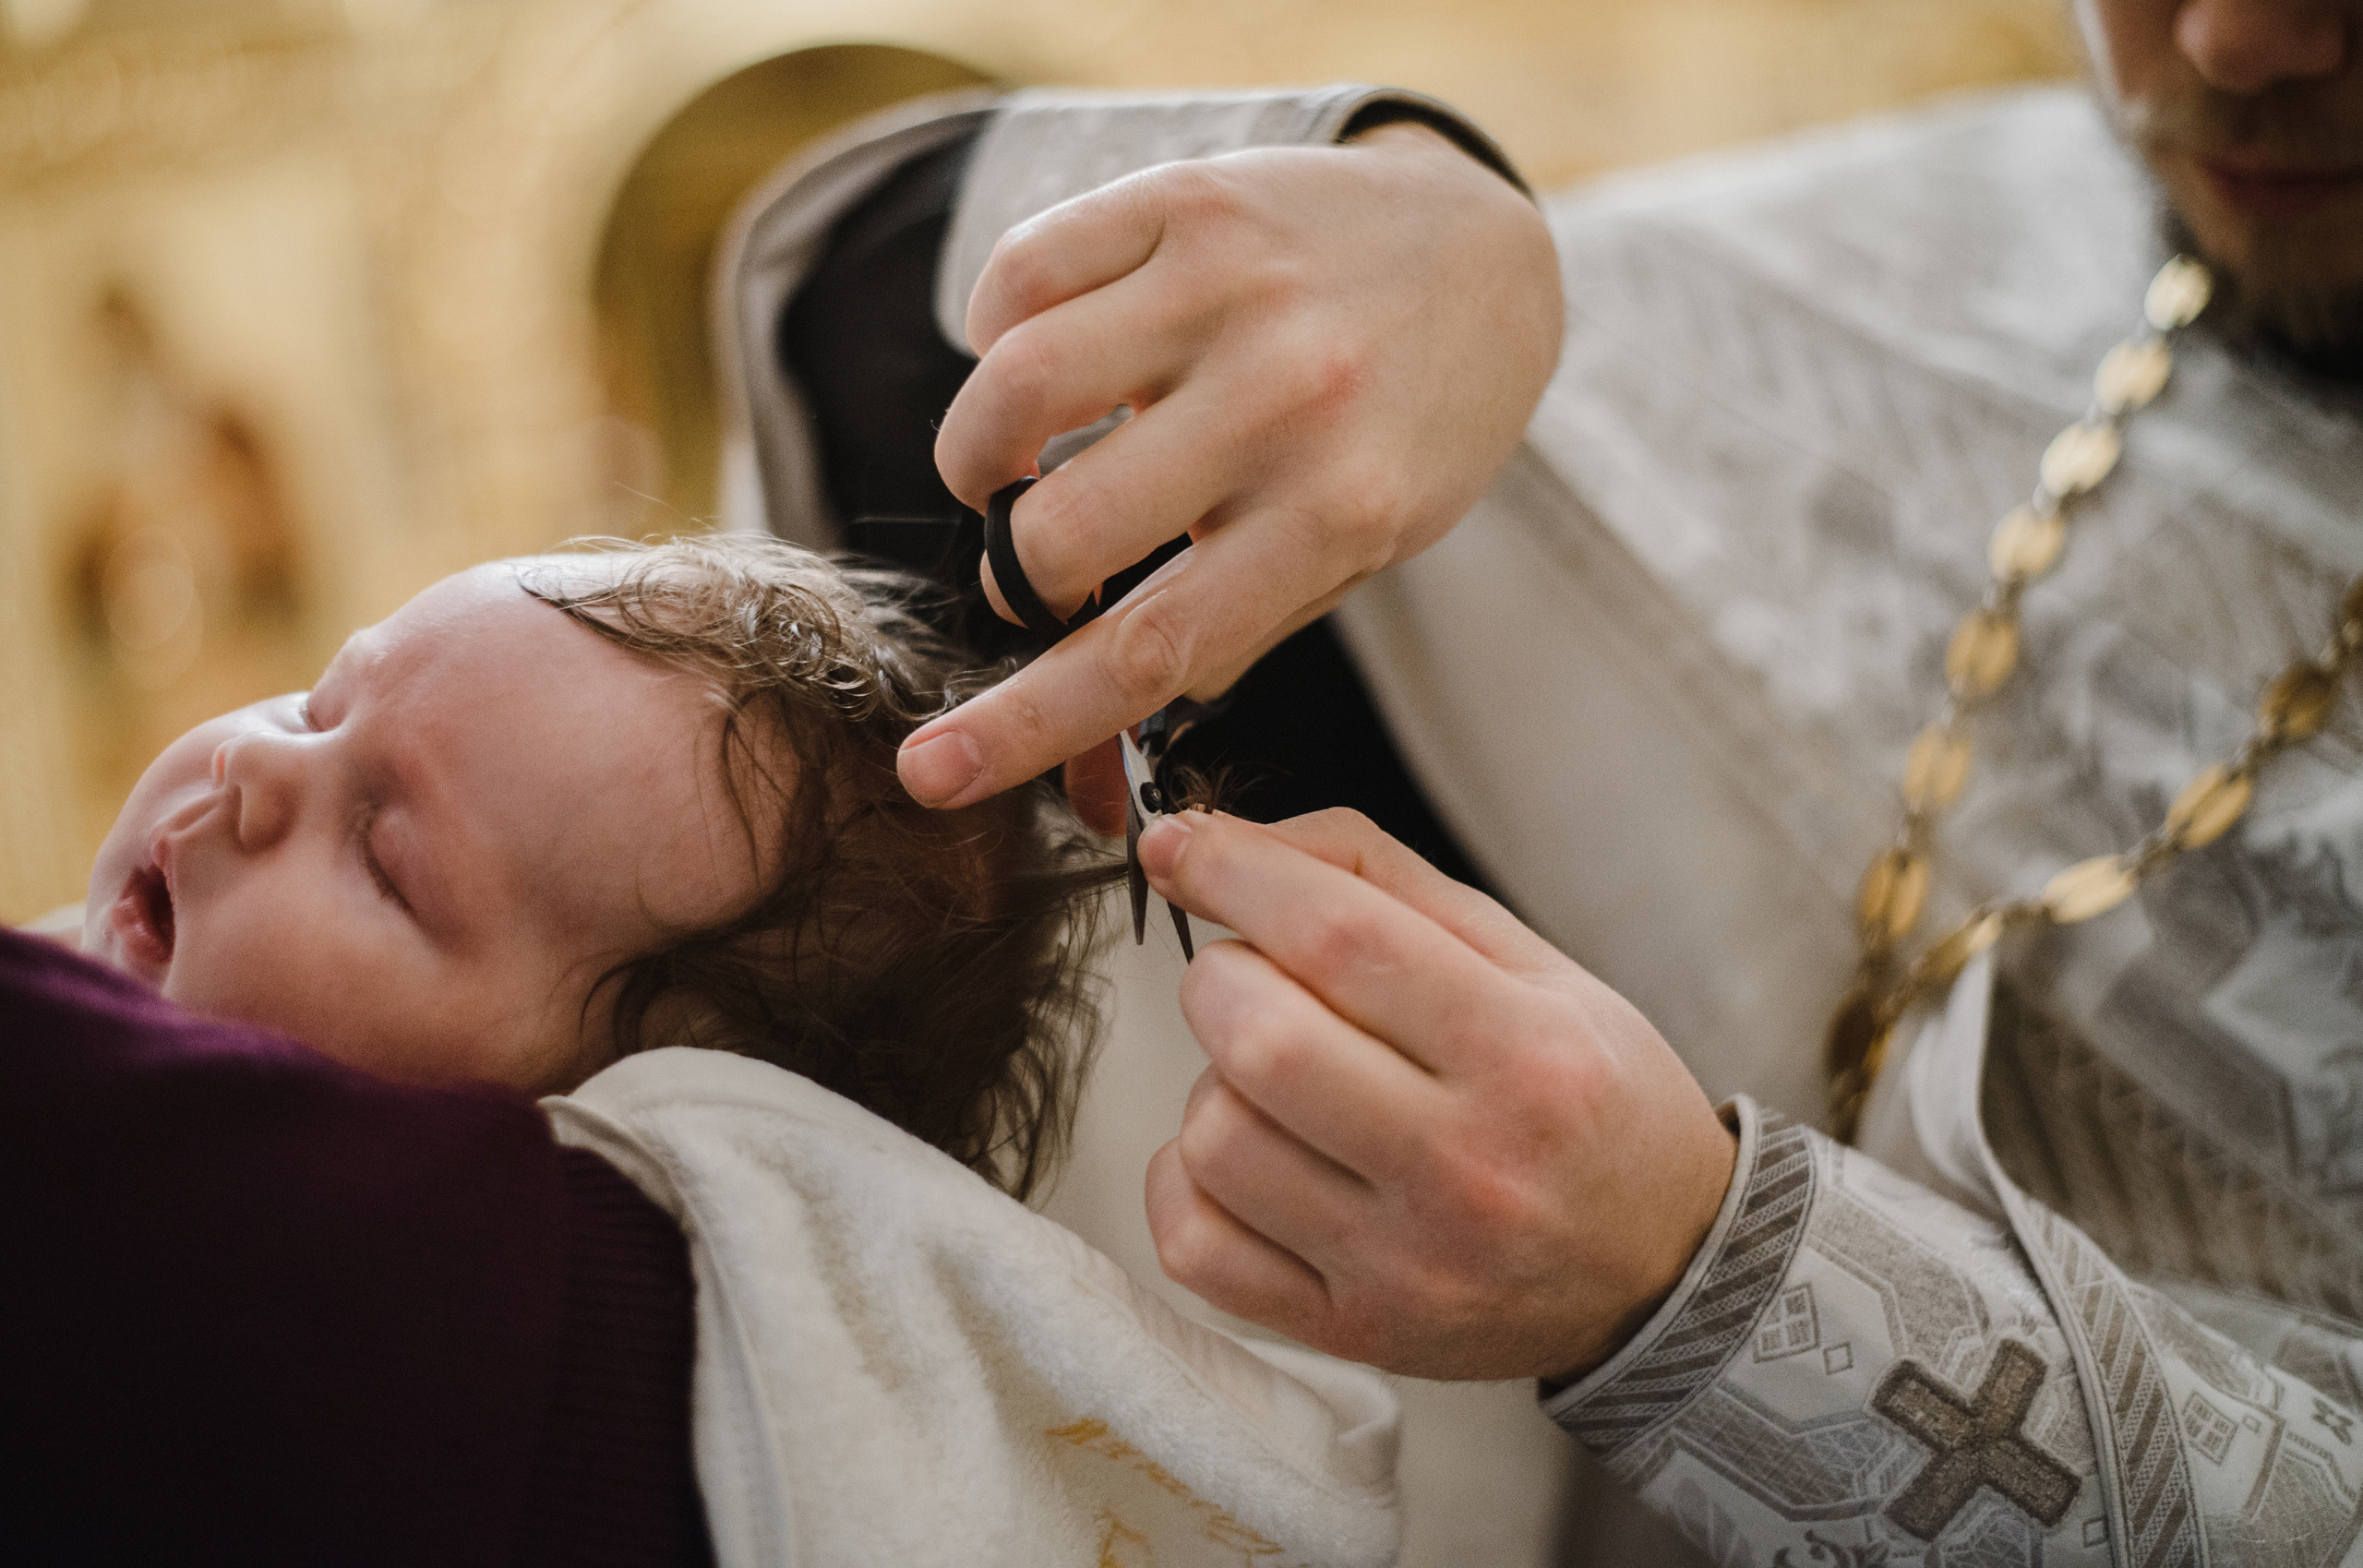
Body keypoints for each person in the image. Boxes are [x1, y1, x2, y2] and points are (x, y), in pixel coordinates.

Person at [729, 0, 2363, 1560]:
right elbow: (891, 347)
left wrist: (1709, 1286)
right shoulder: (1965, 221)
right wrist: (1427, 206)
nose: (2230, 42)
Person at [17, 533, 1406, 1565]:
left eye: (386, 864)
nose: (253, 771)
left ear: (592, 1153)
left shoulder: (328, 1292)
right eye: (319, 702)